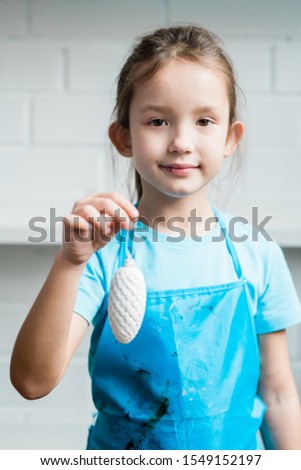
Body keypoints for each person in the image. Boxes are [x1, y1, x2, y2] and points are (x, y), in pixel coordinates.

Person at [10, 25, 301, 450]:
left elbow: (277, 393)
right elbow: (32, 382)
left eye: (204, 120)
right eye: (157, 121)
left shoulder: (256, 252)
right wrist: (69, 262)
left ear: (230, 138)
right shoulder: (99, 255)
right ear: (124, 137)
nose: (181, 142)